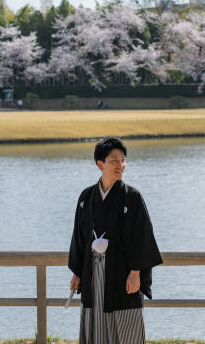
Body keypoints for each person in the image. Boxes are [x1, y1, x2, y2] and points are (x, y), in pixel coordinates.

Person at [68, 137, 162, 344]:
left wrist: (136, 272)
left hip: (123, 272)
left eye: (123, 160)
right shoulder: (86, 197)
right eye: (114, 161)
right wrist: (77, 272)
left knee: (126, 324)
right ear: (100, 164)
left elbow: (142, 235)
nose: (121, 165)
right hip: (92, 270)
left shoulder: (132, 197)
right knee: (96, 323)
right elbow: (79, 236)